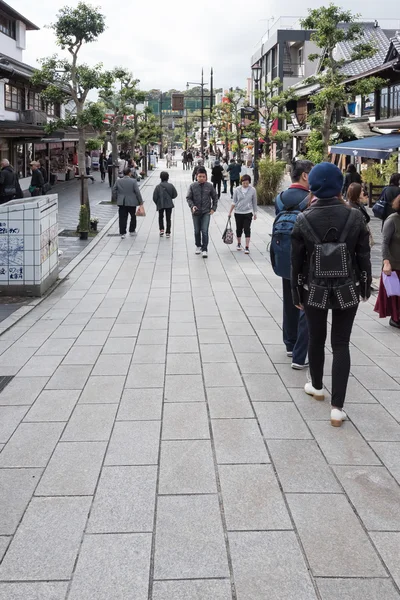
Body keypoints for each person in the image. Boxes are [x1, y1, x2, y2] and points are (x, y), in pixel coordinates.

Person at [291, 162, 371, 427]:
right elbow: (363, 255)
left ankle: (316, 386)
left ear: (312, 185)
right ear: (340, 186)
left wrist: (296, 293)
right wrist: (365, 285)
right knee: (341, 343)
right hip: (347, 288)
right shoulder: (356, 216)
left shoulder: (303, 218)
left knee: (316, 338)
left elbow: (296, 261)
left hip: (313, 289)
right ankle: (338, 409)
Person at [274, 160, 313, 370]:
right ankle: (299, 348)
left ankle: (289, 343)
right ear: (305, 176)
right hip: (305, 259)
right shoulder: (310, 199)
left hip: (283, 256)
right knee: (304, 303)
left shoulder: (279, 198)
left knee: (289, 299)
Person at [374, 194, 400, 328]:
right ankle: (395, 318)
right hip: (394, 263)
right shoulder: (392, 220)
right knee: (395, 294)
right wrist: (386, 261)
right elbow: (384, 243)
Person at [186, 167, 218, 258]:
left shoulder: (209, 186)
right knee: (197, 231)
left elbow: (215, 197)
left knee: (204, 230)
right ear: (196, 176)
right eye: (200, 176)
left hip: (206, 212)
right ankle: (198, 246)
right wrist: (192, 206)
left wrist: (213, 208)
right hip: (196, 212)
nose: (201, 178)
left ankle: (205, 249)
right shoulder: (192, 186)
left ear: (206, 177)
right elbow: (188, 198)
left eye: (203, 176)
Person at [228, 174, 257, 254]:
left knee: (247, 228)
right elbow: (234, 201)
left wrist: (255, 213)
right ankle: (239, 243)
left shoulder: (252, 190)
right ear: (241, 182)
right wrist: (230, 212)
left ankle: (247, 246)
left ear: (249, 182)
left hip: (248, 212)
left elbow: (254, 202)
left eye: (247, 183)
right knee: (239, 228)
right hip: (238, 212)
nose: (245, 185)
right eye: (244, 183)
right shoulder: (237, 190)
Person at [113, 167, 144, 239]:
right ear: (130, 173)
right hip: (132, 202)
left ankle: (122, 232)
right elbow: (137, 192)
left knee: (122, 217)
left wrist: (117, 198)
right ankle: (132, 230)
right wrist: (140, 202)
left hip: (122, 202)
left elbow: (114, 190)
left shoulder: (118, 181)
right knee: (133, 216)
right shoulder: (133, 181)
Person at [153, 171, 177, 238]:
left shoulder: (158, 187)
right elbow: (175, 194)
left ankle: (161, 229)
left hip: (160, 204)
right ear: (168, 178)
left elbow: (154, 197)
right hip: (169, 204)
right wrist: (170, 198)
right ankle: (168, 232)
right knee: (168, 218)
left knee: (160, 217)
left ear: (160, 178)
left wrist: (157, 202)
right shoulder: (171, 186)